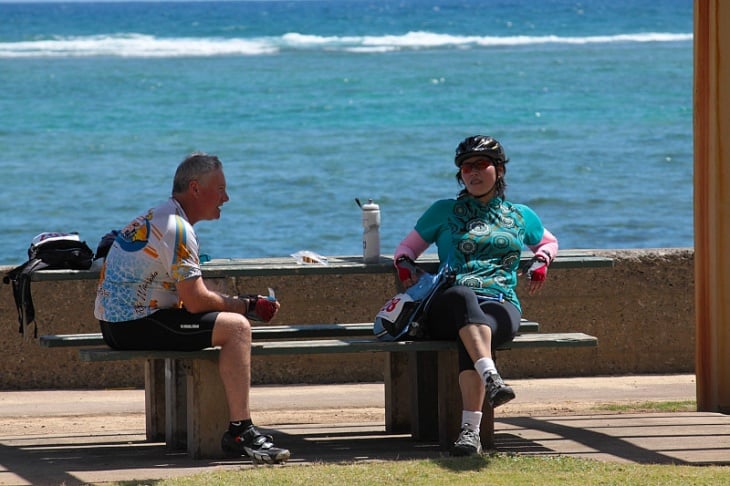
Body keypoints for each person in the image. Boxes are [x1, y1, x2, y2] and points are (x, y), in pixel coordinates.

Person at [94, 152, 290, 464]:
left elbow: (187, 295)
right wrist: (247, 306)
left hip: (118, 321)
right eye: (221, 189)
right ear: (196, 189)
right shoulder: (178, 229)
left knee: (228, 320)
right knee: (237, 329)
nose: (226, 197)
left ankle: (241, 429)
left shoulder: (161, 216)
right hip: (134, 322)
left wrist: (237, 305)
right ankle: (242, 431)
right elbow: (197, 300)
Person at [393, 135, 558, 457]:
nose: (473, 173)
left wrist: (541, 262)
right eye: (467, 167)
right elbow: (406, 248)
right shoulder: (443, 211)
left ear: (498, 170)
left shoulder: (520, 214)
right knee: (462, 298)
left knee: (475, 335)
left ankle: (470, 432)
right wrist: (403, 264)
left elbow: (548, 242)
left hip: (500, 303)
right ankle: (490, 382)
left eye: (481, 165)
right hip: (447, 305)